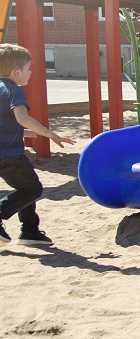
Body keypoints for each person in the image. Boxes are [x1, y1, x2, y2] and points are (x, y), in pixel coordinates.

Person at [0, 45, 75, 247]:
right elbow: (22, 118)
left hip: (4, 154)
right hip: (10, 157)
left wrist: (31, 133)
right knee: (32, 189)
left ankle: (29, 231)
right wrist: (48, 133)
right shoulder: (14, 90)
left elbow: (7, 127)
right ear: (17, 72)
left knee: (24, 188)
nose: (30, 72)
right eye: (28, 69)